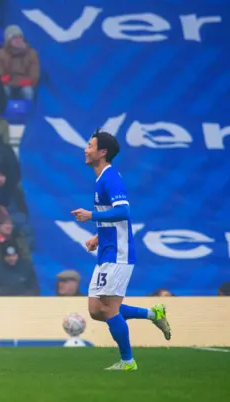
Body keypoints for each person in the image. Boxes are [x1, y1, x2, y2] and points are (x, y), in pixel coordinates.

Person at [71, 130, 171, 371]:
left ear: (102, 152)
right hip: (107, 248)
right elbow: (114, 218)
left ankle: (128, 361)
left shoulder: (110, 178)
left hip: (119, 252)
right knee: (96, 310)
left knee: (108, 308)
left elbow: (124, 211)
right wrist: (97, 235)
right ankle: (152, 314)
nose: (85, 149)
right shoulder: (101, 179)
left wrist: (91, 215)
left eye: (90, 145)